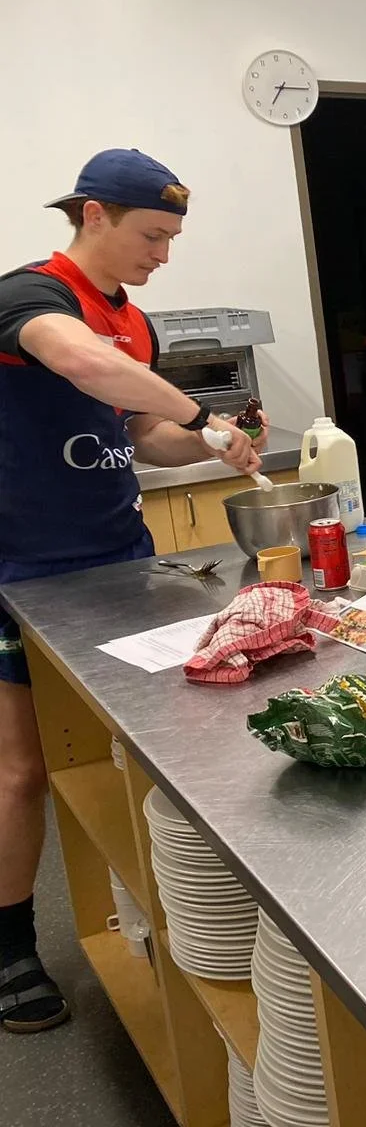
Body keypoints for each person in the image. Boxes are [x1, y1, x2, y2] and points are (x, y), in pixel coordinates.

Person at [0, 149, 265, 1033]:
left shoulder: (135, 322)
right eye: (153, 234)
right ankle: (11, 949)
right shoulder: (29, 297)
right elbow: (83, 367)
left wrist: (207, 444)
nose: (163, 254)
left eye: (172, 237)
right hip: (21, 570)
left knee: (141, 743)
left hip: (121, 559)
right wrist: (204, 415)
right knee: (23, 770)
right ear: (93, 215)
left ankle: (160, 912)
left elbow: (144, 434)